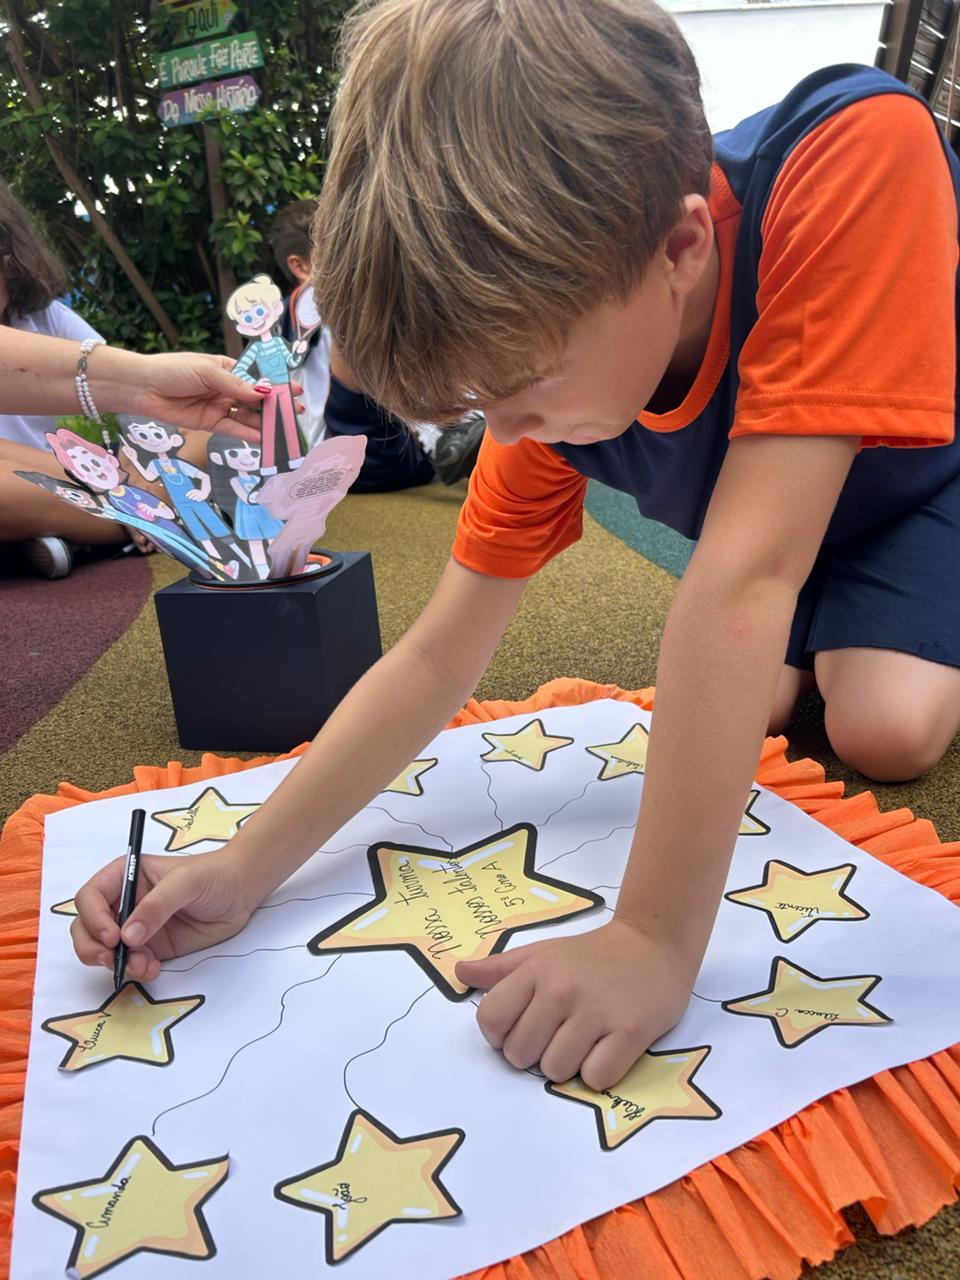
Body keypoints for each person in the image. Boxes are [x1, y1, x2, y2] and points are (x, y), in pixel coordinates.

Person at [71, 0, 960, 1093]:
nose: (507, 430)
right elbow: (439, 653)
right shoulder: (545, 361)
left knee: (884, 726)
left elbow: (742, 583)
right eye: (481, 401)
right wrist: (247, 862)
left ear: (683, 249)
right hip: (766, 521)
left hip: (917, 486)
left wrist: (651, 939)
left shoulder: (852, 152)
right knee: (751, 702)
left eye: (524, 387)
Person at [0, 180, 264, 577]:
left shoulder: (44, 317)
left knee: (207, 430)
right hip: (57, 475)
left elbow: (124, 397)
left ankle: (86, 525)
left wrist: (133, 464)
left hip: (79, 473)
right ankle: (146, 517)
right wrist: (122, 484)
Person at [270, 198, 484, 489]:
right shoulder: (296, 310)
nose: (352, 257)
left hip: (394, 445)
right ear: (300, 266)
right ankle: (452, 435)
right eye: (335, 250)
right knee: (353, 298)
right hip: (355, 453)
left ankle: (463, 432)